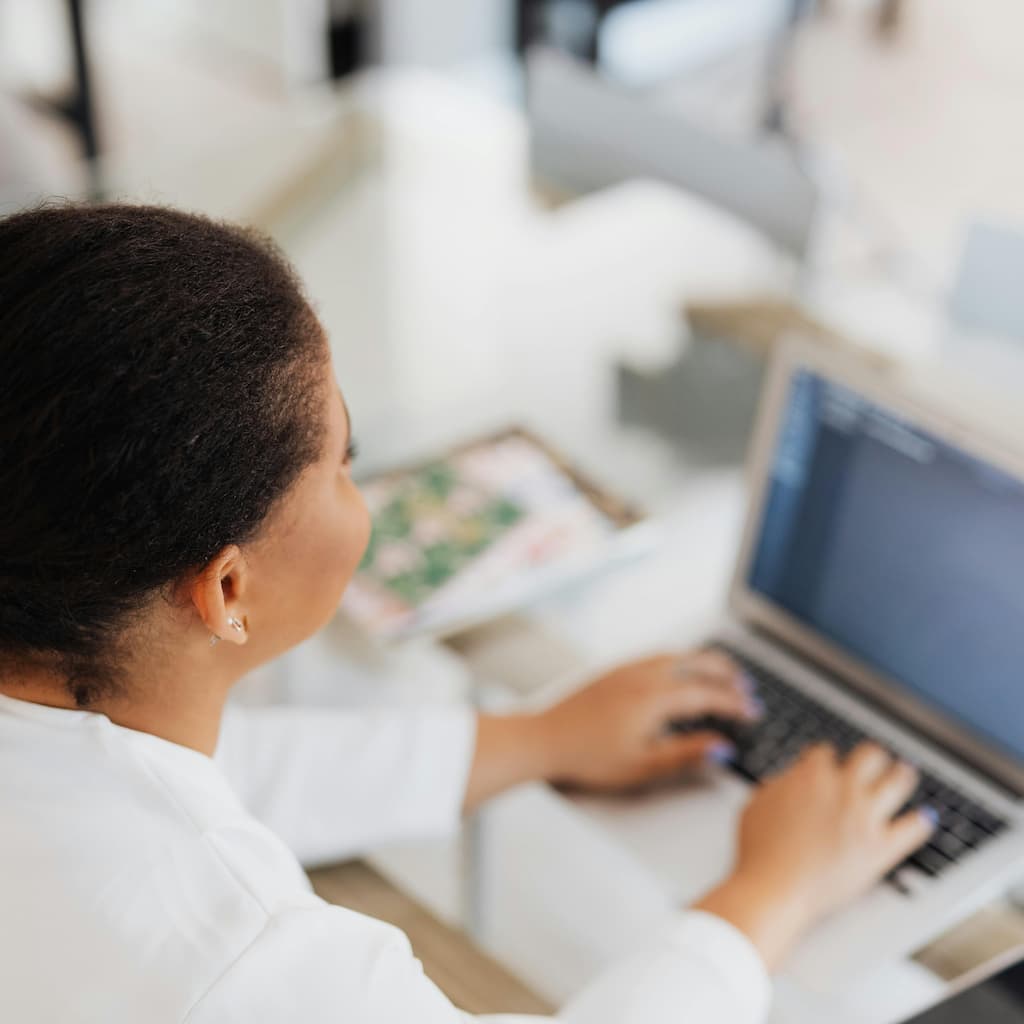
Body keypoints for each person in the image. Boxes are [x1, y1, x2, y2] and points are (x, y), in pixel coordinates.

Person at [0, 205, 935, 1023]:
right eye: (343, 460)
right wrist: (771, 893)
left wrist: (540, 736)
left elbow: (184, 774)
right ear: (228, 590)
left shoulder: (61, 727)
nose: (357, 485)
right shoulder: (244, 964)